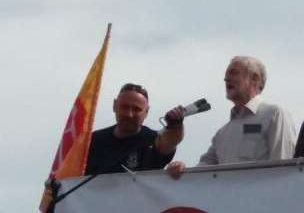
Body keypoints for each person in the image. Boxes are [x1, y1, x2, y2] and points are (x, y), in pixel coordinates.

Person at [167, 56, 296, 179]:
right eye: (226, 75)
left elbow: (284, 169)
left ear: (254, 78)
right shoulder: (222, 133)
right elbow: (203, 171)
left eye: (233, 73)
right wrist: (182, 170)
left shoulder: (274, 115)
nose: (226, 79)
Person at [85, 83, 184, 175]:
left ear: (146, 112)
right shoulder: (91, 140)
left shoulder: (153, 140)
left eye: (137, 109)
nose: (129, 114)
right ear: (115, 105)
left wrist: (176, 123)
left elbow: (171, 140)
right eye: (124, 107)